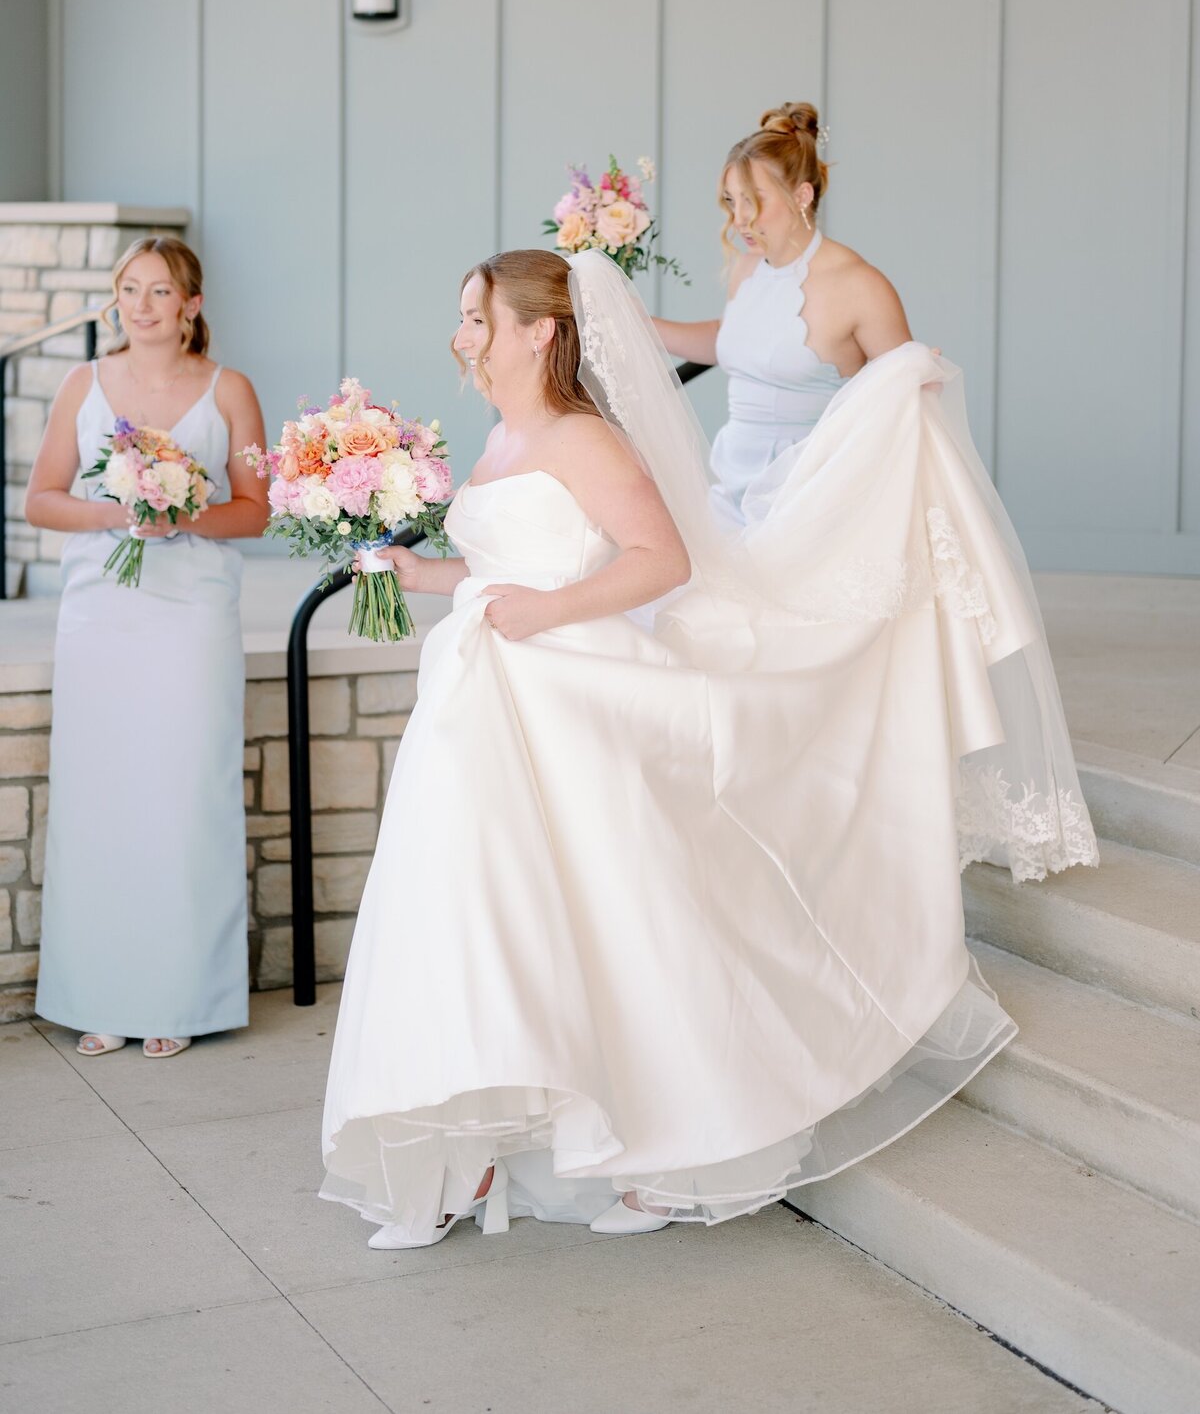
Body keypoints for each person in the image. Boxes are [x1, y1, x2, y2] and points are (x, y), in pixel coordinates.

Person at [320, 246, 1088, 1250]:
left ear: (538, 331)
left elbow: (659, 558)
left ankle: (686, 1140)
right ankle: (471, 1148)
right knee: (471, 907)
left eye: (476, 316)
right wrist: (416, 571)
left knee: (619, 916)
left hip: (568, 694)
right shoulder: (504, 435)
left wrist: (549, 608)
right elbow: (499, 559)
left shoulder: (583, 436)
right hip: (481, 693)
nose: (460, 335)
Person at [26, 236, 268, 1058]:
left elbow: (256, 509)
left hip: (190, 613)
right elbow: (41, 500)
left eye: (159, 291)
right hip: (104, 613)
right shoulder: (79, 385)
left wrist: (180, 515)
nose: (141, 304)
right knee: (103, 799)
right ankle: (100, 994)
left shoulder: (228, 389)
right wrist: (117, 511)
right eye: (129, 289)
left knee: (182, 794)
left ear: (191, 305)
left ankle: (176, 999)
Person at [652, 101, 910, 527]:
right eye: (732, 202)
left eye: (753, 202)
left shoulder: (861, 286)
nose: (738, 220)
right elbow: (731, 340)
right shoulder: (747, 268)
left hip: (813, 494)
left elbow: (904, 405)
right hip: (732, 479)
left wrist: (916, 372)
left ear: (801, 195)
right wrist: (639, 325)